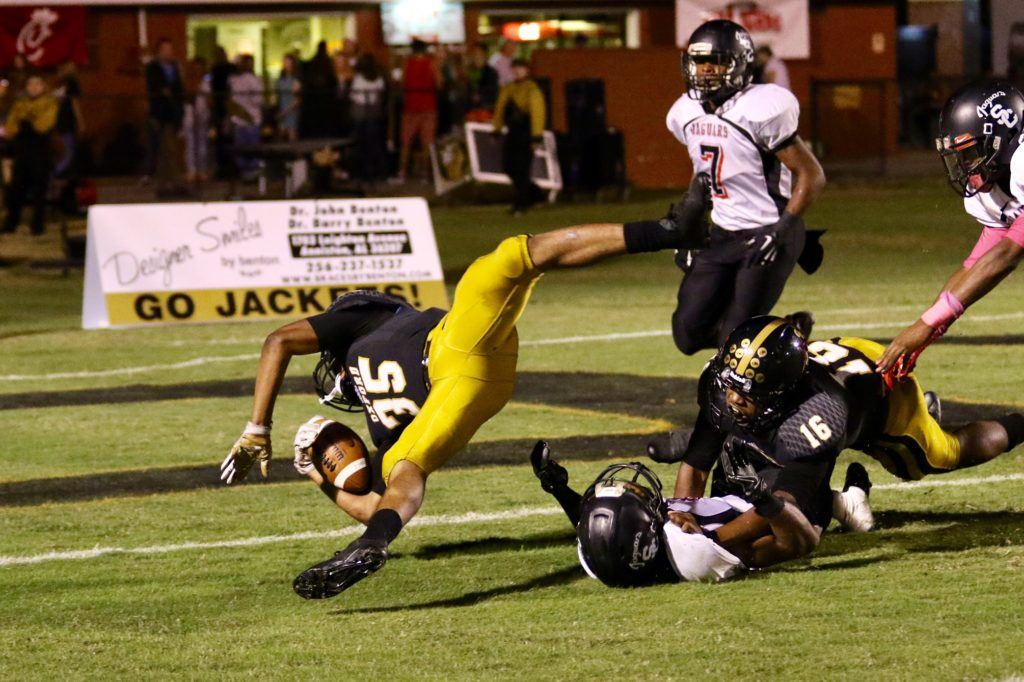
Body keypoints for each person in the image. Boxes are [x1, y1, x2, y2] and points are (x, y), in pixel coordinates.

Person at [220, 218, 705, 599]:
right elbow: (372, 504)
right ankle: (370, 548)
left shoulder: (363, 322)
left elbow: (279, 339)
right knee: (503, 262)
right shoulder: (380, 426)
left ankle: (668, 231)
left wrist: (257, 429)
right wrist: (314, 475)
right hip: (466, 370)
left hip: (456, 357)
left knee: (408, 466)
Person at [649, 317, 1024, 558]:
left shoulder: (816, 417)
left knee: (942, 454)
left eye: (746, 393)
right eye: (731, 385)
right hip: (837, 365)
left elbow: (782, 509)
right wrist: (683, 512)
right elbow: (697, 462)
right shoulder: (728, 385)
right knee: (740, 459)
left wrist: (709, 542)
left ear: (780, 392)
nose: (732, 397)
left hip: (883, 399)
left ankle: (1015, 423)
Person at [665, 20, 825, 357]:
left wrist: (780, 231)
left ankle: (780, 342)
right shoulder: (686, 112)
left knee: (735, 342)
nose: (706, 70)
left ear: (739, 64)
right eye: (699, 61)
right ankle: (783, 332)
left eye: (717, 61)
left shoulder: (760, 107)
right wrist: (688, 228)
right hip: (723, 231)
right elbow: (705, 176)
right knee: (687, 334)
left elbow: (811, 175)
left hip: (768, 230)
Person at [878, 81, 1024, 380]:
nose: (967, 165)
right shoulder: (992, 188)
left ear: (1004, 136)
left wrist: (926, 325)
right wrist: (926, 333)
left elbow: (1007, 254)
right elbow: (976, 266)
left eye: (971, 152)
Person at [530, 449, 851, 584]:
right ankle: (845, 503)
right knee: (803, 452)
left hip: (729, 496)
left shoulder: (602, 561)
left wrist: (559, 490)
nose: (641, 490)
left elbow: (601, 530)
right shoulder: (693, 552)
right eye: (639, 499)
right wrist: (766, 500)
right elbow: (795, 544)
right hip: (789, 512)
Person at [2, 73, 57, 235]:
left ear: (43, 86)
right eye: (30, 84)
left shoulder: (49, 103)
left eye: (37, 84)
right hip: (22, 151)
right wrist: (24, 123)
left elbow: (43, 125)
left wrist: (25, 121)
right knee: (16, 188)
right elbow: (10, 128)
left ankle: (38, 226)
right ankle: (11, 223)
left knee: (39, 191)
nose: (33, 88)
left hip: (41, 151)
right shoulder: (20, 103)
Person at [492, 58, 546, 215]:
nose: (517, 71)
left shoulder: (532, 89)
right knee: (509, 167)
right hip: (513, 133)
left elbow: (538, 113)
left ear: (527, 70)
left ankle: (522, 203)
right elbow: (500, 109)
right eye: (515, 68)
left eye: (520, 68)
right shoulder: (508, 88)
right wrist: (496, 128)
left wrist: (536, 137)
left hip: (526, 133)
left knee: (522, 169)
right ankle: (535, 194)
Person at [144, 38, 186, 195]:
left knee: (170, 147)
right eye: (165, 49)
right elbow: (154, 87)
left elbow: (179, 89)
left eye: (170, 49)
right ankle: (168, 181)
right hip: (159, 112)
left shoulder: (175, 67)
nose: (169, 53)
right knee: (163, 147)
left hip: (173, 113)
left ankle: (170, 180)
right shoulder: (153, 67)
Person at [394, 39, 439, 182]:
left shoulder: (407, 63)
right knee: (427, 141)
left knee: (406, 141)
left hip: (410, 105)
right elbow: (439, 82)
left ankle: (402, 172)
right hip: (428, 105)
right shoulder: (432, 63)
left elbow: (402, 81)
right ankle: (426, 174)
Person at [349, 52, 388, 188]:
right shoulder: (378, 78)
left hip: (361, 115)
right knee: (374, 144)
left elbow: (354, 96)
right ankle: (377, 173)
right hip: (374, 114)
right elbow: (380, 94)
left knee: (361, 145)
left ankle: (363, 174)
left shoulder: (359, 78)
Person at [228, 54, 263, 179]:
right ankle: (248, 174)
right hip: (244, 120)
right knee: (245, 150)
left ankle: (250, 174)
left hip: (248, 120)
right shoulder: (236, 80)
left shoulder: (250, 80)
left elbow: (257, 99)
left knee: (249, 149)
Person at [52, 60, 84, 180]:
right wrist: (80, 121)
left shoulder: (60, 84)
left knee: (66, 151)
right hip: (66, 121)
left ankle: (61, 174)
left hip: (60, 121)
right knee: (69, 153)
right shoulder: (71, 83)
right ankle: (52, 173)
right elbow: (75, 103)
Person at [183, 56, 211, 185]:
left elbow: (210, 99)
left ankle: (202, 170)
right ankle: (192, 170)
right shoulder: (188, 81)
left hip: (203, 114)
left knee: (202, 144)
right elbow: (186, 96)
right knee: (190, 143)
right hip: (190, 114)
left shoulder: (207, 82)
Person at [466, 42, 499, 113]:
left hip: (485, 111)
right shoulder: (469, 71)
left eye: (478, 53)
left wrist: (480, 96)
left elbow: (493, 93)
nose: (475, 56)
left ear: (484, 55)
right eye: (474, 54)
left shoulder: (491, 73)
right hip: (471, 111)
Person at [275, 54, 301, 142]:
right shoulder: (281, 79)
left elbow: (296, 101)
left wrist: (284, 112)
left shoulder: (295, 80)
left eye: (288, 62)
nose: (286, 64)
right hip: (282, 110)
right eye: (284, 62)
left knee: (292, 138)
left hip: (291, 112)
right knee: (280, 138)